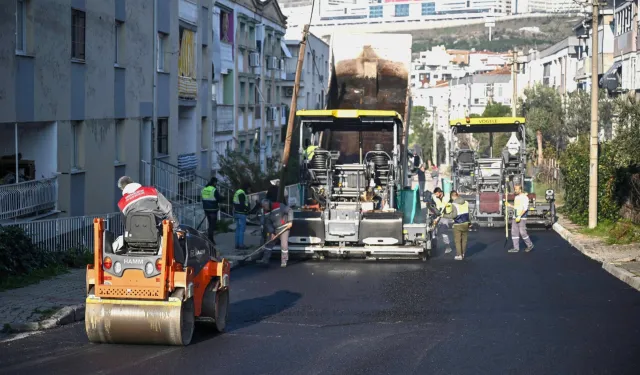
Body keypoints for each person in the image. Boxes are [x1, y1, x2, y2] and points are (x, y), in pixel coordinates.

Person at [117, 176, 185, 261]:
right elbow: (168, 209)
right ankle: (180, 264)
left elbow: (126, 224)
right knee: (173, 237)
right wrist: (176, 228)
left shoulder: (121, 203)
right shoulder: (152, 191)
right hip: (157, 232)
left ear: (122, 189)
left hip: (135, 238)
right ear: (133, 182)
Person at [258, 198, 292, 267]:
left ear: (269, 204)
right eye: (264, 208)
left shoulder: (279, 206)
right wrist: (272, 233)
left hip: (284, 228)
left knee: (284, 245)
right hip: (275, 229)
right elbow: (268, 224)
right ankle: (265, 259)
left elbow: (290, 210)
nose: (265, 209)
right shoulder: (266, 212)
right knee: (269, 243)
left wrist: (290, 221)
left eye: (266, 207)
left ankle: (284, 261)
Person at [442, 190, 470, 260]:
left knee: (457, 240)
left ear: (453, 196)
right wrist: (470, 222)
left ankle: (459, 255)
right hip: (466, 223)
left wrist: (443, 215)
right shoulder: (466, 202)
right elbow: (469, 214)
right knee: (464, 240)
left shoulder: (454, 204)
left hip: (458, 224)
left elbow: (453, 215)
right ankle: (463, 253)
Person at [507, 184, 534, 253]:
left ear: (520, 189)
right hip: (515, 217)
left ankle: (530, 245)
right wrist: (510, 205)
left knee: (523, 232)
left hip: (522, 217)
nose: (515, 190)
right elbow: (516, 207)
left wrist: (520, 216)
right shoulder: (516, 197)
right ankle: (516, 248)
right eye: (515, 189)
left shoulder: (525, 197)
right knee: (514, 232)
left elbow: (525, 208)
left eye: (516, 189)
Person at [430, 187, 452, 254]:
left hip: (445, 216)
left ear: (440, 193)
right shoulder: (434, 198)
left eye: (437, 194)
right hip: (437, 216)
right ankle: (434, 246)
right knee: (433, 231)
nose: (436, 195)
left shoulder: (447, 197)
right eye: (435, 194)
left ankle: (448, 247)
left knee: (443, 231)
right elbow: (432, 206)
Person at [201, 177, 221, 244]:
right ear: (214, 182)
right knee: (212, 225)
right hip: (213, 209)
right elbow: (218, 199)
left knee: (210, 224)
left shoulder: (204, 189)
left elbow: (203, 198)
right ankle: (210, 240)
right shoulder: (213, 189)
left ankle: (209, 239)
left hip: (206, 209)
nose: (216, 184)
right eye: (216, 183)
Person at [233, 182, 251, 250]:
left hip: (236, 213)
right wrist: (247, 209)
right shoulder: (242, 193)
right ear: (246, 187)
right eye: (249, 188)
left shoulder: (237, 192)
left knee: (238, 229)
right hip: (241, 213)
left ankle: (237, 244)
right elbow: (242, 204)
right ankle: (241, 245)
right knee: (241, 230)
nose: (249, 190)